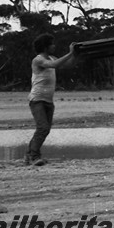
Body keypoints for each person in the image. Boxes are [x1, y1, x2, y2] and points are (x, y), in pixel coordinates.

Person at [26, 34, 75, 167]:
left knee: (45, 130)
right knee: (42, 128)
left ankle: (30, 155)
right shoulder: (38, 60)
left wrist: (77, 54)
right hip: (37, 100)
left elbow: (67, 65)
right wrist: (70, 53)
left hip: (48, 100)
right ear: (45, 46)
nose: (54, 46)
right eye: (52, 44)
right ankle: (34, 157)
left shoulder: (52, 57)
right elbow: (55, 65)